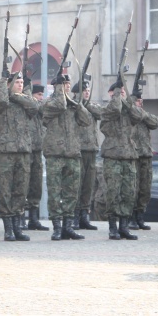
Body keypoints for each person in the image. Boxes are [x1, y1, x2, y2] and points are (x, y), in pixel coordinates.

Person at [42, 74, 91, 241]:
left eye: (68, 84)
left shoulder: (72, 105)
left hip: (72, 153)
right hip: (55, 154)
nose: (68, 87)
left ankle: (68, 226)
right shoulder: (50, 103)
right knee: (55, 193)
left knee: (71, 192)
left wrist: (77, 105)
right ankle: (56, 227)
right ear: (56, 86)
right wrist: (60, 94)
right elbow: (59, 105)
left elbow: (86, 120)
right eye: (64, 84)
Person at [0, 71, 38, 241]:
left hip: (23, 151)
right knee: (5, 191)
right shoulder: (2, 102)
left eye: (21, 82)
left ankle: (18, 226)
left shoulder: (25, 102)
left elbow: (35, 106)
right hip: (5, 152)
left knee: (20, 190)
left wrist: (17, 95)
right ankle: (8, 229)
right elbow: (0, 100)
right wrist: (4, 82)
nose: (20, 85)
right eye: (17, 82)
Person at [100, 80, 143, 240]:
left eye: (123, 91)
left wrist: (129, 102)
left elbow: (139, 116)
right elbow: (114, 109)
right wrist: (117, 95)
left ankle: (124, 226)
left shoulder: (129, 111)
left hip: (129, 155)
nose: (123, 92)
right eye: (119, 91)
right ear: (112, 94)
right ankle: (112, 227)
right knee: (113, 192)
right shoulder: (108, 108)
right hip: (113, 156)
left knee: (128, 192)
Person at [72, 81, 102, 231]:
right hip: (78, 149)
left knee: (88, 185)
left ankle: (85, 215)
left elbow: (101, 113)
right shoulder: (73, 105)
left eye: (88, 90)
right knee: (78, 184)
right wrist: (80, 103)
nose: (87, 93)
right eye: (84, 90)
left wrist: (86, 103)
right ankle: (75, 216)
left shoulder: (92, 106)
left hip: (91, 149)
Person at [129, 89, 158, 230]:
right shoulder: (129, 115)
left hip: (146, 155)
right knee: (133, 189)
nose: (140, 103)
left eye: (141, 101)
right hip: (133, 155)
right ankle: (131, 218)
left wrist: (141, 112)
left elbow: (155, 123)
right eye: (137, 101)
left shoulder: (144, 115)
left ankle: (140, 216)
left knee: (145, 189)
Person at [26, 84, 48, 230]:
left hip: (37, 150)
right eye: (38, 95)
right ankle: (20, 218)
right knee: (23, 185)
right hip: (25, 150)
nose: (41, 98)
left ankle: (34, 218)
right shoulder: (27, 105)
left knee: (36, 185)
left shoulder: (41, 108)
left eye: (42, 95)